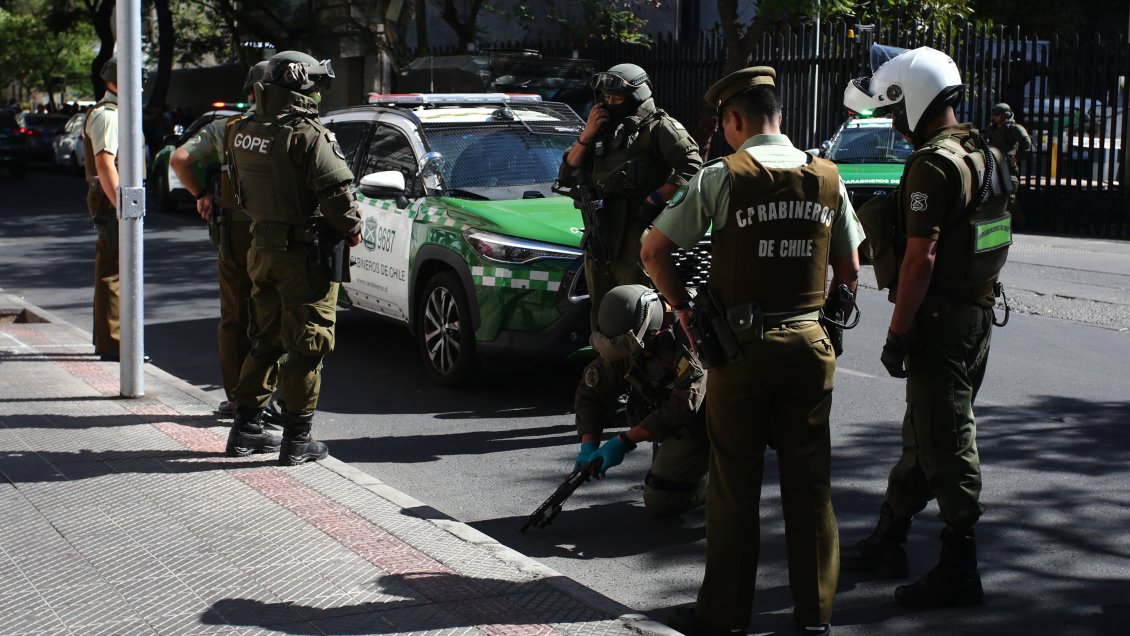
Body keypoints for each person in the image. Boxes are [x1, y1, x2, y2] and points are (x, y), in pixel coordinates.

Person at [641, 66, 863, 636]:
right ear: (779, 115)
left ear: (734, 121)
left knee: (734, 486)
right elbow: (850, 270)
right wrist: (820, 322)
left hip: (738, 352)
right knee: (810, 486)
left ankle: (725, 618)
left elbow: (653, 251)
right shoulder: (827, 176)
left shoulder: (722, 177)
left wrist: (684, 311)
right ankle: (815, 618)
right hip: (809, 347)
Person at [840, 46, 1012, 609]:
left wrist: (897, 333)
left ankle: (961, 563)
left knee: (948, 437)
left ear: (915, 100)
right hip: (975, 313)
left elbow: (920, 260)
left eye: (895, 110)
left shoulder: (932, 164)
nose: (894, 122)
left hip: (940, 322)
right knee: (925, 431)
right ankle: (890, 537)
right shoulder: (983, 151)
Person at [223, 50, 361, 465]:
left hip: (261, 247)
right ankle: (297, 439)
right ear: (301, 84)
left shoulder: (240, 130)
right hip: (304, 255)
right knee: (307, 344)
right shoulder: (308, 133)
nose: (319, 90)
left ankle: (245, 427)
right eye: (316, 82)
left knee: (264, 339)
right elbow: (337, 197)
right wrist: (353, 228)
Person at [558, 63, 702, 331]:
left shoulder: (658, 127)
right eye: (606, 98)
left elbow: (692, 166)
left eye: (617, 98)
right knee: (603, 318)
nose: (609, 104)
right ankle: (607, 358)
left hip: (636, 233)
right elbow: (567, 174)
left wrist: (655, 199)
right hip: (601, 235)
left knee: (639, 314)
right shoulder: (601, 129)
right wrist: (587, 135)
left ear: (636, 96)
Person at [170, 62, 273, 418]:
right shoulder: (293, 127)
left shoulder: (225, 128)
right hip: (280, 232)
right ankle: (271, 397)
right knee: (275, 312)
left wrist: (202, 194)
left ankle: (237, 398)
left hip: (236, 233)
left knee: (235, 315)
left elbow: (179, 160)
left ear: (250, 92)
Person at [573, 284, 709, 517]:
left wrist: (624, 441)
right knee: (662, 491)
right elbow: (592, 391)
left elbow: (685, 404)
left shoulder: (690, 334)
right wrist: (588, 444)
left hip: (708, 421)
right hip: (676, 420)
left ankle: (716, 480)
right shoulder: (629, 334)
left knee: (661, 500)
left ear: (654, 332)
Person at [83, 56, 122, 362]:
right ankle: (113, 344)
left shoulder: (115, 112)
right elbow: (104, 163)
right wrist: (122, 204)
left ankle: (113, 341)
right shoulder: (108, 115)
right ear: (114, 81)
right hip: (112, 200)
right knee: (114, 272)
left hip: (114, 198)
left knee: (116, 268)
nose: (140, 87)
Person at [986, 102, 1031, 221]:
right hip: (993, 166)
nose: (994, 117)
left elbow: (1026, 142)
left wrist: (1017, 157)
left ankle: (1019, 221)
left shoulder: (1013, 128)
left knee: (1009, 197)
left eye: (997, 115)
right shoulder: (992, 128)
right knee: (992, 196)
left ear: (1004, 115)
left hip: (1006, 167)